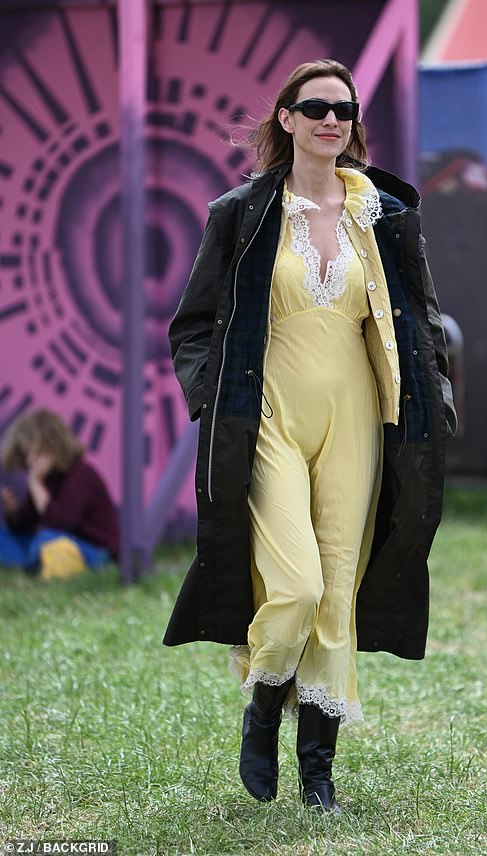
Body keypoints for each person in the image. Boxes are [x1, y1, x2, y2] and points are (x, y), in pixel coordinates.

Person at [163, 59, 457, 812]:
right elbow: (193, 324)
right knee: (294, 589)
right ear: (287, 120)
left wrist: (439, 399)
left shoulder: (384, 213)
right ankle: (263, 708)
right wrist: (210, 400)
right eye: (316, 106)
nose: (333, 119)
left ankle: (318, 769)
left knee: (338, 598)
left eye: (346, 109)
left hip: (358, 419)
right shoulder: (243, 213)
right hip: (267, 417)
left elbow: (420, 318)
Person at [0, 409, 119, 579]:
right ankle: (38, 563)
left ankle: (38, 563)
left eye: (28, 452)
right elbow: (26, 525)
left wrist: (35, 483)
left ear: (47, 446)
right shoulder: (47, 478)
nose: (27, 461)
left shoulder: (81, 474)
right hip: (54, 542)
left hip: (96, 552)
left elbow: (62, 524)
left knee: (47, 539)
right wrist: (13, 513)